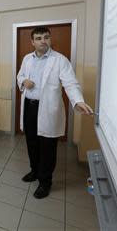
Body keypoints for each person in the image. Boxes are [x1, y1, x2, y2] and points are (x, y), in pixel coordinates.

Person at [16, 26, 93, 199]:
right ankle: (34, 171)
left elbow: (70, 83)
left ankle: (45, 182)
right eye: (38, 38)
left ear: (50, 39)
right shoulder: (27, 59)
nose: (43, 41)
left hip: (48, 109)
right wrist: (24, 81)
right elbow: (19, 76)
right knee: (32, 142)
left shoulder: (60, 60)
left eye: (46, 37)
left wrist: (78, 100)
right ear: (32, 42)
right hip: (29, 106)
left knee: (47, 146)